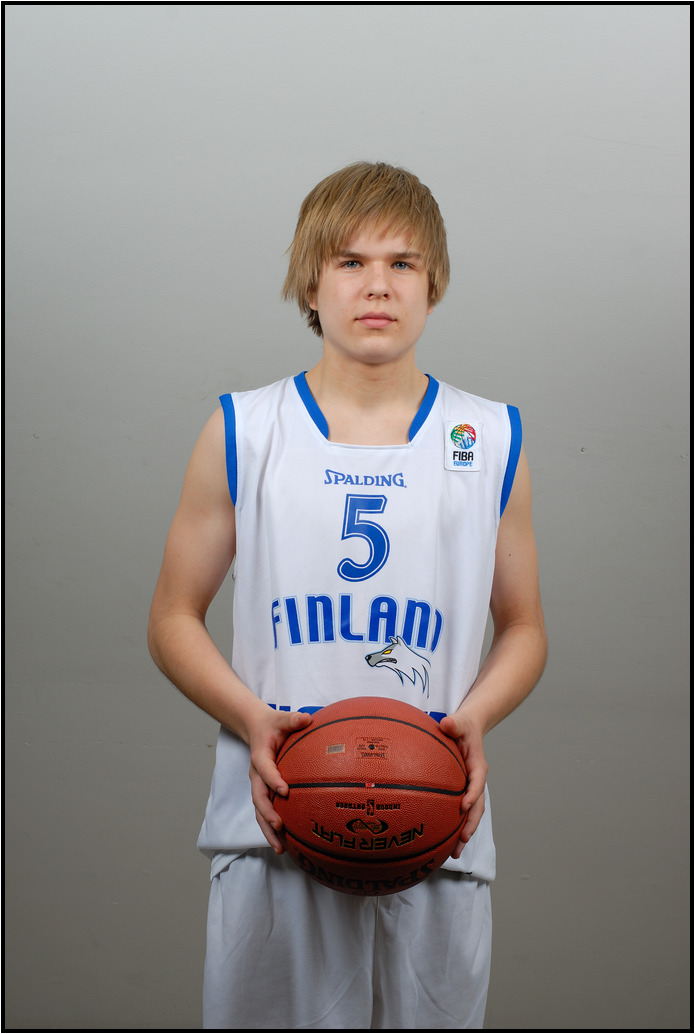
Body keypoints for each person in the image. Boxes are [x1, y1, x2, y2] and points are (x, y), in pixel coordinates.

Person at [148, 161, 547, 1030]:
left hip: (436, 817)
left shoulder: (487, 435)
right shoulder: (244, 429)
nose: (377, 285)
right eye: (350, 262)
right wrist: (252, 719)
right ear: (310, 284)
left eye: (403, 263)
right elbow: (172, 617)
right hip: (275, 812)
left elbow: (522, 627)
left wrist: (473, 721)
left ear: (433, 285)